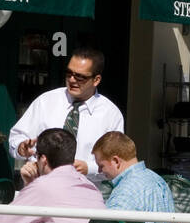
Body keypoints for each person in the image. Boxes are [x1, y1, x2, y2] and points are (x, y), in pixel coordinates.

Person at [9, 47, 124, 180]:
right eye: (69, 73)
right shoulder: (46, 101)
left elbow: (116, 162)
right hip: (41, 189)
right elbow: (16, 138)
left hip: (83, 192)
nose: (72, 80)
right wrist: (21, 148)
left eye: (80, 77)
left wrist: (89, 168)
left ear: (96, 80)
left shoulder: (110, 114)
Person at [92, 131, 177, 223]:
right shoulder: (157, 179)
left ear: (116, 161)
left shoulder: (126, 190)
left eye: (101, 166)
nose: (99, 171)